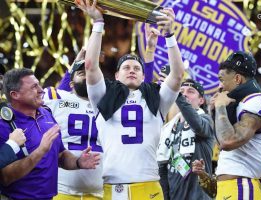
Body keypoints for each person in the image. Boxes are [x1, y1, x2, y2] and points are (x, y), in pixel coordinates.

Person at [76, 0, 184, 199]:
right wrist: (98, 23)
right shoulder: (103, 96)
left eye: (137, 68)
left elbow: (177, 75)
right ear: (116, 75)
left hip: (148, 186)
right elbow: (90, 66)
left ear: (144, 76)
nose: (132, 70)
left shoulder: (156, 98)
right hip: (112, 187)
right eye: (126, 67)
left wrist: (169, 34)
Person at [0, 68, 100, 200]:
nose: (41, 90)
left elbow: (60, 155)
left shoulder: (46, 113)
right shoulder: (4, 124)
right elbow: (5, 177)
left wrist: (77, 162)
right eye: (34, 87)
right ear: (15, 95)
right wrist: (40, 151)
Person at [43, 49, 104, 200]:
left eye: (90, 72)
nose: (87, 74)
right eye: (81, 73)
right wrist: (76, 64)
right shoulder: (58, 97)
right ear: (71, 83)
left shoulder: (109, 102)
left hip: (100, 192)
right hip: (63, 190)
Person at [212, 51, 261, 199]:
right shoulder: (242, 104)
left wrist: (220, 106)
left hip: (241, 186)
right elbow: (220, 140)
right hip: (232, 186)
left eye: (222, 79)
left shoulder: (255, 102)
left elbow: (228, 141)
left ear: (237, 78)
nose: (220, 86)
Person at [157, 78, 214, 200]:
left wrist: (177, 92)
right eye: (181, 91)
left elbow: (197, 125)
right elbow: (163, 167)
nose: (185, 94)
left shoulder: (206, 120)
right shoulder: (168, 128)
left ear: (201, 100)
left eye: (191, 91)